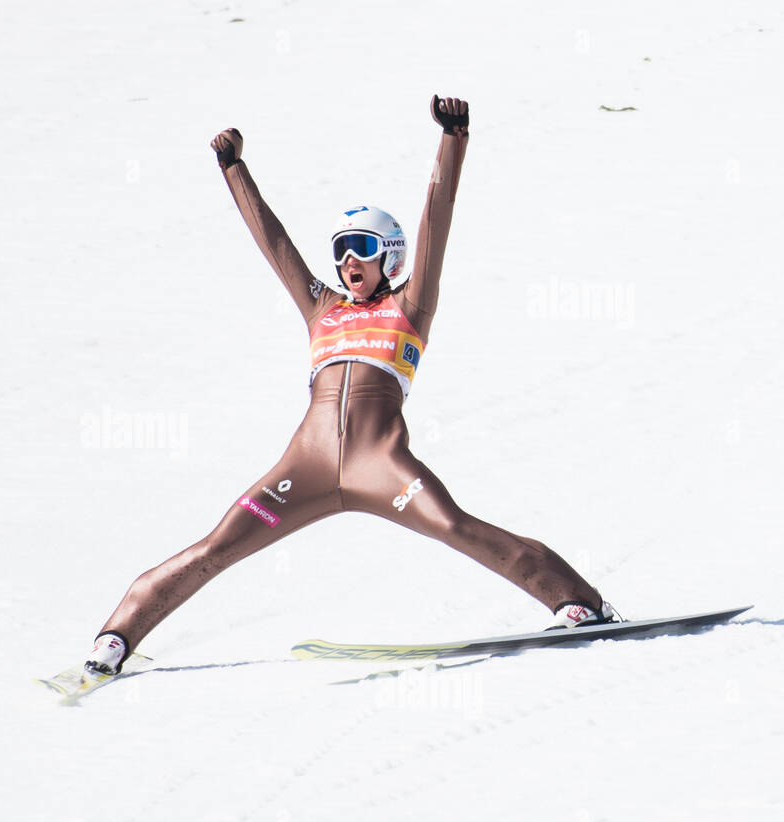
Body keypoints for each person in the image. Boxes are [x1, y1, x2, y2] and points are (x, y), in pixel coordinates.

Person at [84, 95, 620, 677]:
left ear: (388, 255)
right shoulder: (322, 309)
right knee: (218, 545)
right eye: (339, 252)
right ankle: (114, 639)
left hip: (380, 467)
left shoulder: (409, 306)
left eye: (360, 249)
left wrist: (453, 137)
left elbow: (436, 218)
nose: (346, 263)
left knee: (454, 526)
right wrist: (234, 169)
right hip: (305, 469)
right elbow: (275, 243)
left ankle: (580, 605)